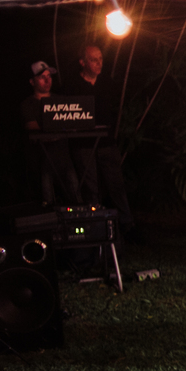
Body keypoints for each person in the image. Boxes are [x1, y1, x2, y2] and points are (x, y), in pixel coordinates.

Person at [68, 44, 134, 232]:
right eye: (93, 59)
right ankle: (95, 228)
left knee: (116, 184)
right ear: (83, 62)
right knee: (90, 187)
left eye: (100, 59)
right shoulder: (72, 85)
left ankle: (127, 225)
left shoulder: (106, 82)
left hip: (106, 142)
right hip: (84, 144)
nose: (99, 63)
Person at [19, 61, 82, 206]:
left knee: (76, 197)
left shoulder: (61, 101)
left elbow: (72, 123)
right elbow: (33, 128)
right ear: (32, 82)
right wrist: (59, 128)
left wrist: (54, 128)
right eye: (42, 77)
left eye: (49, 76)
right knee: (47, 202)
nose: (47, 80)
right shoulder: (27, 105)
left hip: (65, 158)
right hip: (41, 162)